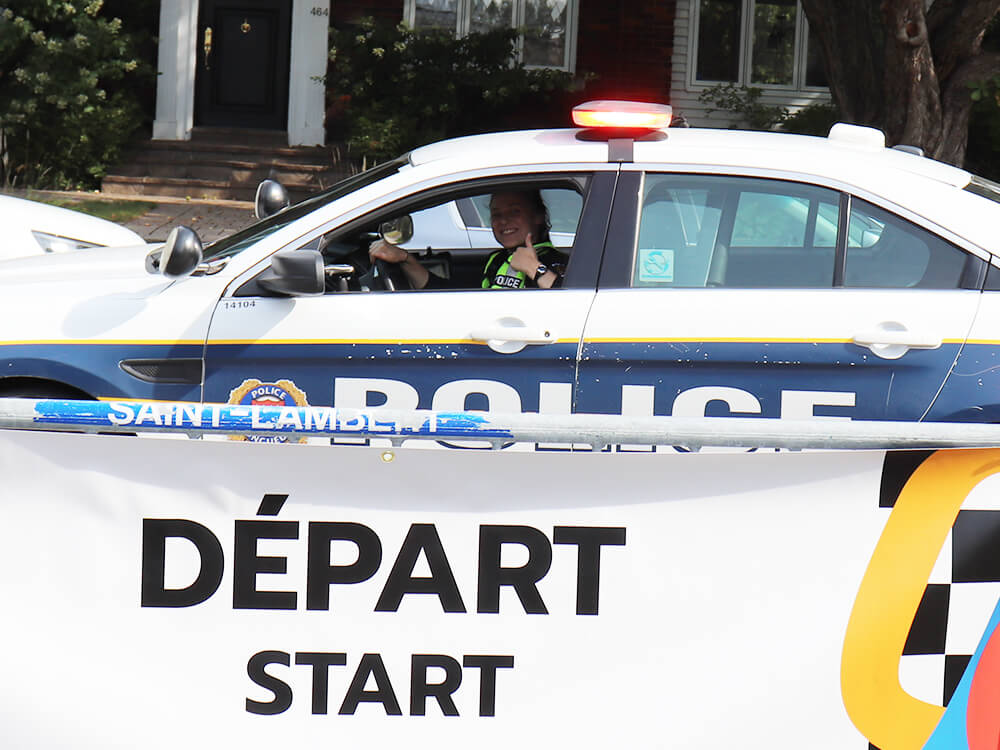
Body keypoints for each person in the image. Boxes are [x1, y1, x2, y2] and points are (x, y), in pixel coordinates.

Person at [368, 189, 567, 290]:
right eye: (496, 214)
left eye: (514, 212)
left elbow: (577, 307)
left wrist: (535, 269)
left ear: (538, 216)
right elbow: (445, 292)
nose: (503, 220)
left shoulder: (554, 261)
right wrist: (404, 258)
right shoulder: (496, 260)